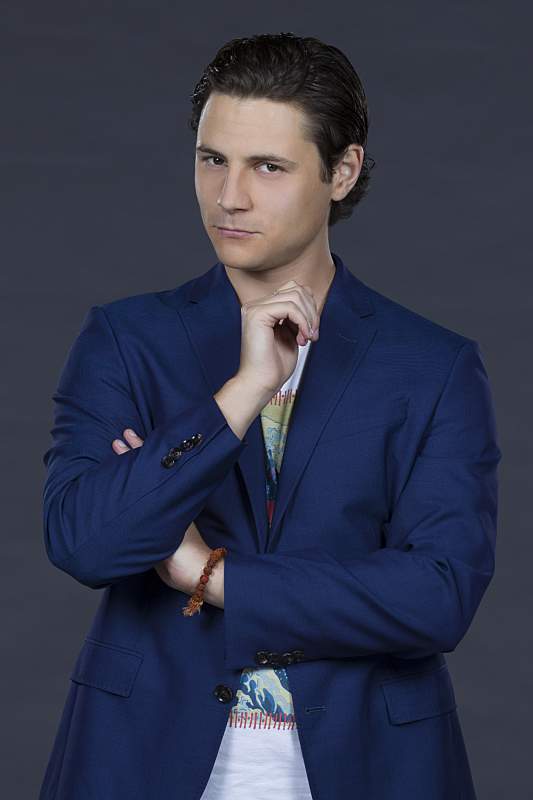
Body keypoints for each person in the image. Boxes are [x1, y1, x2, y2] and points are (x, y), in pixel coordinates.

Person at [39, 32, 501, 800]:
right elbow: (86, 541)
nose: (228, 196)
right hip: (142, 756)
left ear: (341, 172)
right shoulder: (127, 339)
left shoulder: (431, 366)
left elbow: (436, 594)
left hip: (370, 763)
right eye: (211, 159)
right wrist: (243, 391)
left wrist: (210, 575)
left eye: (268, 167)